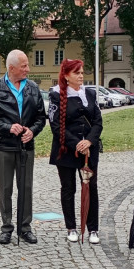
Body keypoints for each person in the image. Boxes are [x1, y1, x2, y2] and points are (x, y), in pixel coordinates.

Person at [0, 50, 47, 244]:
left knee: (26, 187)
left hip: (26, 147)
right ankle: (7, 227)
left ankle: (25, 227)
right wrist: (8, 128)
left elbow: (41, 118)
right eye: (24, 66)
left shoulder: (33, 88)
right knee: (5, 188)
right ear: (11, 68)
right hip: (3, 147)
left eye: (27, 65)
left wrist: (32, 131)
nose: (28, 69)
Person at [49, 59, 103, 244]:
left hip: (89, 149)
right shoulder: (56, 95)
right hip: (66, 149)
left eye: (82, 72)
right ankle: (71, 227)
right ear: (66, 76)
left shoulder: (90, 93)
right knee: (68, 188)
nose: (81, 76)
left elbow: (98, 121)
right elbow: (56, 126)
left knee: (91, 188)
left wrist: (89, 141)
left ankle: (93, 229)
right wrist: (77, 143)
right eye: (77, 73)